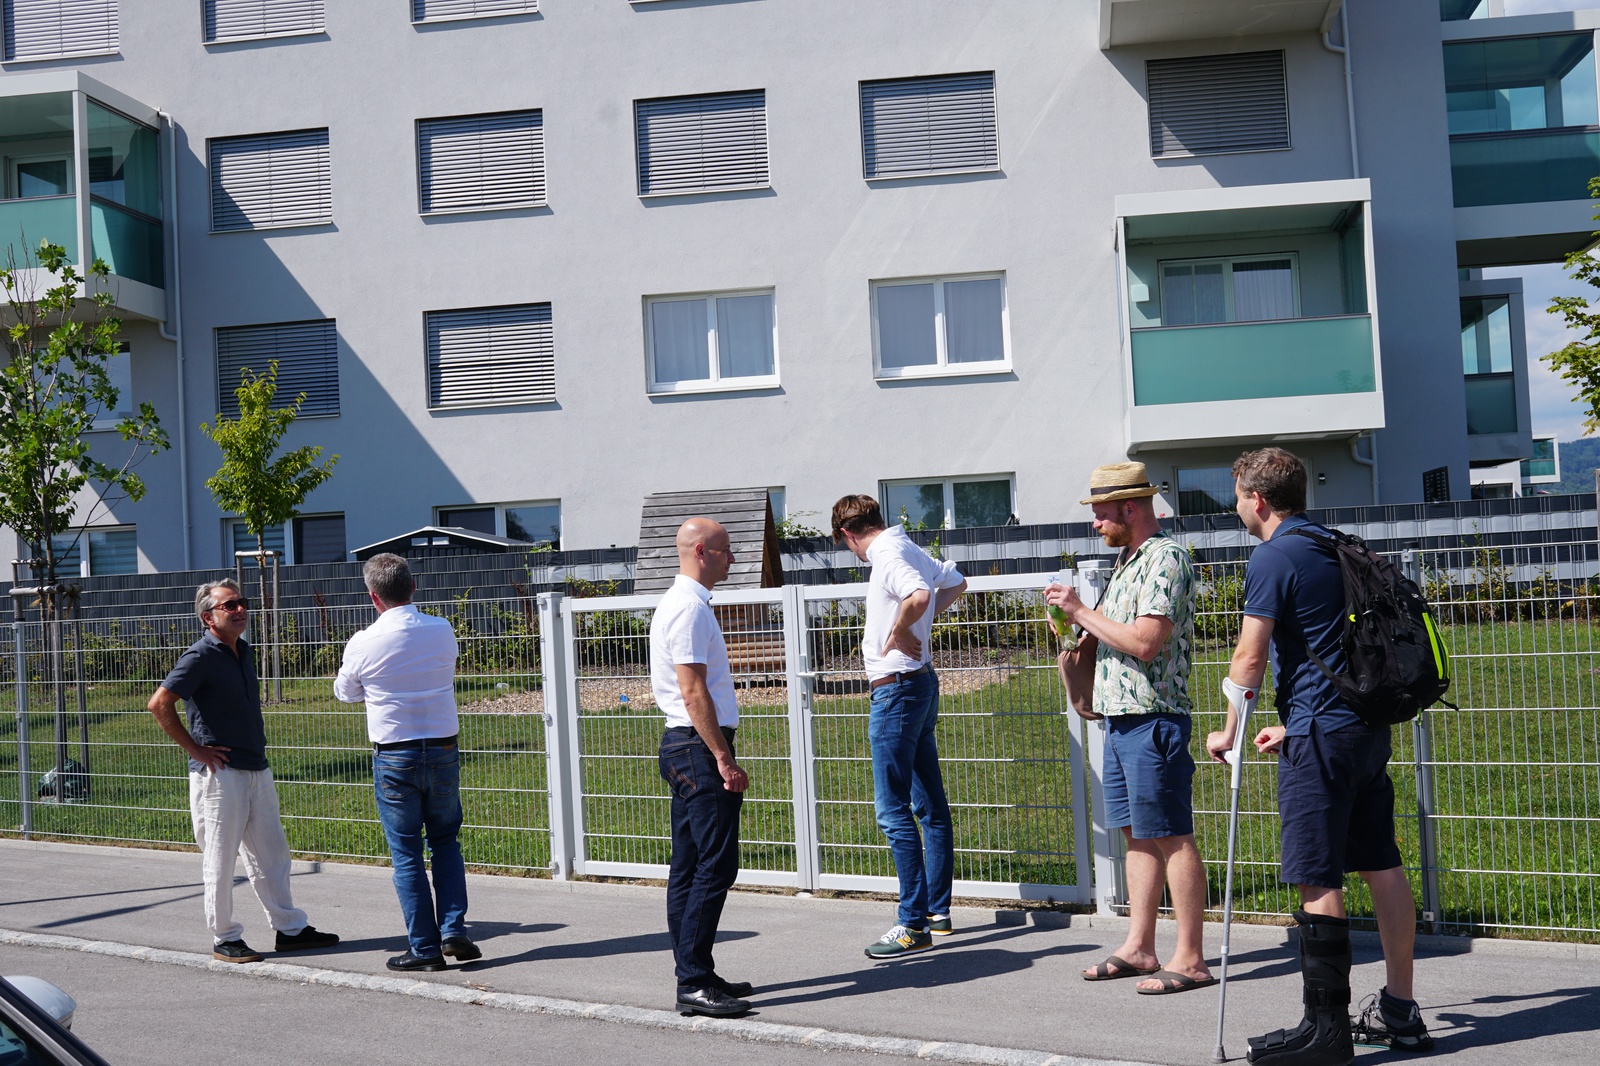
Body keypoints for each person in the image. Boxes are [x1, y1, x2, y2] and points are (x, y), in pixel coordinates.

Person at [1207, 448, 1432, 1064]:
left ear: (1257, 499)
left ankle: (1325, 1029)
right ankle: (1400, 1011)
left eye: (1237, 495)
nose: (1236, 506)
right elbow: (1332, 646)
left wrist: (1229, 731)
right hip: (1362, 727)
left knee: (1317, 873)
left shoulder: (1274, 556)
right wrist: (1292, 722)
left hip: (1321, 738)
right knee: (1381, 862)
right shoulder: (1334, 544)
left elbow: (1249, 657)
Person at [1045, 462, 1212, 995]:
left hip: (1153, 718)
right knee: (1136, 835)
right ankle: (1140, 948)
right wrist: (1072, 636)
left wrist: (1079, 609)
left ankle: (1191, 959)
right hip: (1121, 719)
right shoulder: (1127, 561)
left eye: (1101, 514)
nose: (1095, 523)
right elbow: (1110, 636)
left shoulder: (1166, 559)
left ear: (1131, 508)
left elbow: (1144, 642)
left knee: (1172, 836)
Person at [147, 578, 339, 963]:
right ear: (208, 617)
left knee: (272, 855)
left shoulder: (244, 650)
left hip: (255, 767)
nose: (240, 610)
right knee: (220, 859)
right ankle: (224, 936)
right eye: (229, 605)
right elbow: (159, 703)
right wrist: (196, 750)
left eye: (242, 602)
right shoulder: (200, 656)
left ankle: (290, 929)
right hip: (220, 774)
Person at [831, 494, 967, 959]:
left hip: (897, 691)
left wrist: (903, 629)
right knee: (930, 806)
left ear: (846, 534)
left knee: (893, 811)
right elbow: (956, 582)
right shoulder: (905, 545)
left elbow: (921, 595)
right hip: (919, 684)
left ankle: (912, 923)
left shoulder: (886, 553)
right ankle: (936, 911)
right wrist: (917, 625)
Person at [334, 553, 476, 973]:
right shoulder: (441, 628)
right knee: (446, 841)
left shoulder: (363, 641)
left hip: (395, 752)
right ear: (413, 587)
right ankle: (453, 929)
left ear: (373, 596)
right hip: (443, 748)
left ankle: (424, 947)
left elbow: (346, 692)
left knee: (407, 852)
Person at [651, 517, 753, 1017]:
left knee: (691, 866)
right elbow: (692, 692)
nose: (732, 558)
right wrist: (723, 758)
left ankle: (696, 972)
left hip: (686, 745)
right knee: (715, 865)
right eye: (725, 550)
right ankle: (692, 981)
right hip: (697, 746)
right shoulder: (689, 607)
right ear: (700, 551)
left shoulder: (684, 603)